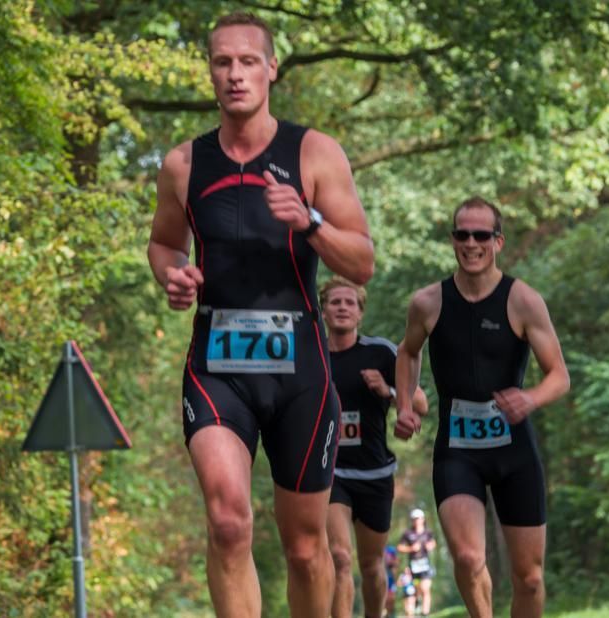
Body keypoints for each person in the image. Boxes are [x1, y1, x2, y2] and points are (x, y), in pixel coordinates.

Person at [147, 12, 373, 618]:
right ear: (210, 73)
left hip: (301, 372)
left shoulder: (314, 152)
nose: (235, 74)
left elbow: (364, 260)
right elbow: (164, 243)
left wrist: (312, 221)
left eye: (248, 61)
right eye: (223, 62)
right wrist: (171, 275)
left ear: (272, 67)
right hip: (216, 369)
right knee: (227, 523)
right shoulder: (183, 165)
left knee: (304, 549)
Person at [394, 196, 570, 617]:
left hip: (514, 450)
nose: (471, 243)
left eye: (481, 235)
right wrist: (405, 404)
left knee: (528, 578)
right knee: (470, 560)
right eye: (462, 234)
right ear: (453, 239)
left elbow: (559, 376)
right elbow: (407, 352)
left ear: (498, 241)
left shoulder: (523, 300)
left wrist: (528, 398)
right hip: (458, 450)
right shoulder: (428, 302)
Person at [321, 276, 428, 618]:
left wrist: (389, 391)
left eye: (349, 303)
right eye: (335, 302)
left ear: (360, 313)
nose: (342, 308)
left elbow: (421, 403)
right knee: (339, 557)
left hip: (374, 471)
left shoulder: (381, 353)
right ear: (323, 310)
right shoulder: (312, 355)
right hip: (328, 471)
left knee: (371, 566)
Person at [397, 508, 437, 617]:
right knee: (414, 590)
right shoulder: (407, 533)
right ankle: (417, 600)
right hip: (412, 566)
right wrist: (411, 548)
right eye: (414, 519)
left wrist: (431, 546)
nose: (417, 521)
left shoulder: (428, 532)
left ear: (423, 519)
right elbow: (400, 547)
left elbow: (433, 542)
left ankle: (425, 614)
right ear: (412, 520)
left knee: (425, 588)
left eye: (419, 518)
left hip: (425, 565)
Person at [384, 545, 400, 617]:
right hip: (380, 576)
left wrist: (395, 577)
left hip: (390, 577)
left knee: (391, 598)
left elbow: (396, 563)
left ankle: (389, 614)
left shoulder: (391, 549)